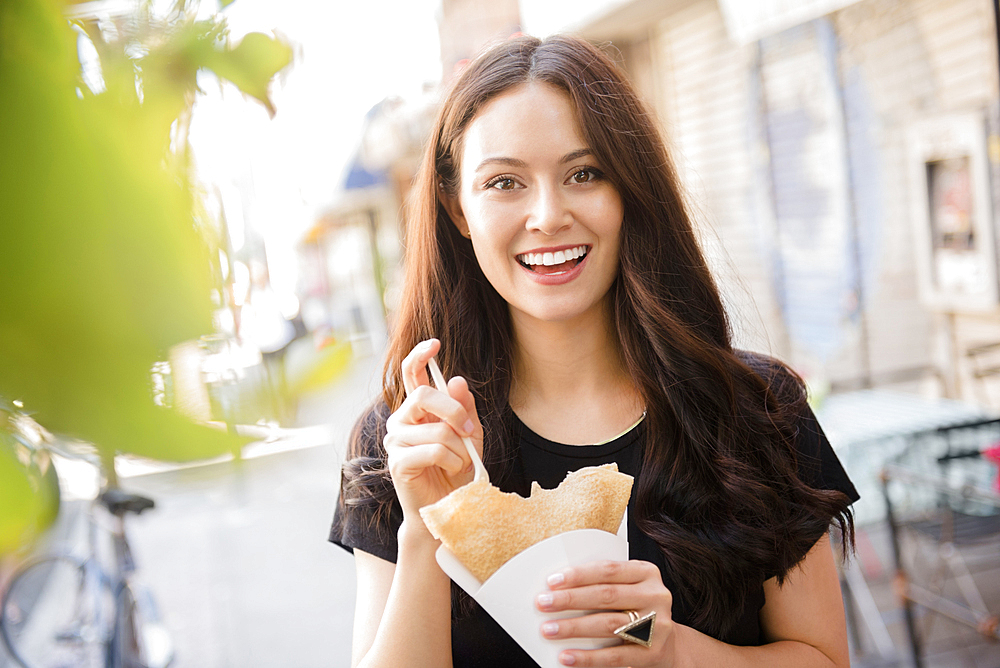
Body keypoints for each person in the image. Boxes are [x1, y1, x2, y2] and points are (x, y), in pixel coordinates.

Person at [330, 34, 858, 668]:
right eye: (504, 182)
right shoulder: (408, 439)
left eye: (585, 173)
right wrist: (425, 531)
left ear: (630, 192)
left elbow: (824, 659)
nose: (548, 215)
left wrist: (672, 653)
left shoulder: (753, 410)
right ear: (457, 208)